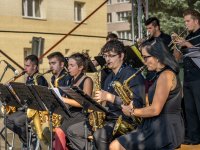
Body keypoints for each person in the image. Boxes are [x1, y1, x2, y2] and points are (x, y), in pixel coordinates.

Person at [66, 40, 145, 150]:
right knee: (72, 131)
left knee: (99, 135)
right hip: (108, 118)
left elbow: (137, 104)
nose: (107, 59)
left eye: (111, 56)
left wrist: (111, 98)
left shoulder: (132, 74)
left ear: (121, 55)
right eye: (105, 56)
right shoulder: (109, 77)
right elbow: (102, 102)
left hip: (124, 120)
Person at [109, 39, 184, 150]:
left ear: (157, 56)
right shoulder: (159, 75)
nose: (144, 62)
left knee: (115, 146)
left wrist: (132, 112)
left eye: (145, 57)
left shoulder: (166, 75)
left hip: (164, 130)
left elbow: (155, 110)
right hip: (158, 126)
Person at [6, 55, 48, 148]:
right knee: (7, 120)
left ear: (35, 67)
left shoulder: (39, 78)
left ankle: (29, 141)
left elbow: (42, 97)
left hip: (37, 111)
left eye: (27, 66)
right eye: (25, 65)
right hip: (28, 108)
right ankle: (28, 139)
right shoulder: (29, 78)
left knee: (17, 121)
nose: (25, 68)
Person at [53, 52, 93, 150]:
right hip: (70, 114)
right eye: (68, 65)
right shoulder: (70, 81)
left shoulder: (87, 80)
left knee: (59, 132)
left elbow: (85, 103)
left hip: (81, 116)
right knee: (54, 134)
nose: (69, 68)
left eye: (72, 65)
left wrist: (63, 99)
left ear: (80, 67)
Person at [173, 9, 200, 145]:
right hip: (188, 79)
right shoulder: (188, 37)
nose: (186, 24)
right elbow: (176, 58)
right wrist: (177, 45)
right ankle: (194, 137)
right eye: (185, 21)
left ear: (196, 20)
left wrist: (186, 44)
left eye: (188, 21)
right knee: (189, 109)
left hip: (198, 77)